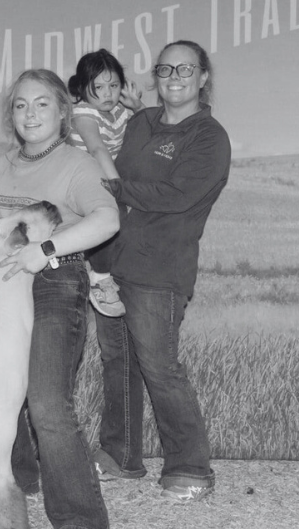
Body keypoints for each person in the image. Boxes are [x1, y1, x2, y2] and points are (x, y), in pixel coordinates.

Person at [0, 69, 119, 529]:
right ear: (11, 114)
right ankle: (9, 485)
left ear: (63, 112)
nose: (30, 114)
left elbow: (107, 219)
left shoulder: (77, 166)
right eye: (21, 105)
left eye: (42, 104)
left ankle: (82, 523)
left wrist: (44, 249)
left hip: (55, 284)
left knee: (46, 401)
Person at [92, 41, 231, 503]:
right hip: (112, 261)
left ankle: (190, 465)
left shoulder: (208, 136)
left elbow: (175, 195)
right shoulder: (139, 122)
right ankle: (121, 455)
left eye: (185, 69)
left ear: (203, 77)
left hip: (160, 269)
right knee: (119, 362)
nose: (175, 76)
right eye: (166, 68)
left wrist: (114, 186)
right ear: (155, 76)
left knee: (159, 367)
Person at [67, 49, 144, 318]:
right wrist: (117, 188)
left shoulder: (121, 113)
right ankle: (99, 278)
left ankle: (104, 268)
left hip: (105, 177)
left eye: (113, 86)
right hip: (81, 179)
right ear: (82, 88)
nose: (107, 93)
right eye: (98, 87)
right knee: (113, 215)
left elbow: (149, 133)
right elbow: (97, 148)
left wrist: (138, 108)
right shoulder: (84, 112)